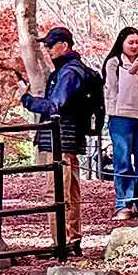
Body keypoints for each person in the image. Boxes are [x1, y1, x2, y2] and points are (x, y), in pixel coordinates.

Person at [21, 27, 103, 239]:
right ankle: (72, 238)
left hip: (61, 140)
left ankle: (61, 242)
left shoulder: (69, 72)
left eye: (50, 45)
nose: (47, 49)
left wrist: (27, 100)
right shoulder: (73, 70)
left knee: (57, 193)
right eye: (46, 45)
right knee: (70, 192)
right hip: (69, 139)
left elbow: (56, 106)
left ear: (64, 46)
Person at [101, 27, 138, 219]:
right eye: (131, 42)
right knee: (123, 160)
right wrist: (131, 71)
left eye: (137, 42)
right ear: (122, 43)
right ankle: (123, 202)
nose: (135, 46)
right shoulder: (114, 62)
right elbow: (115, 92)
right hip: (120, 117)